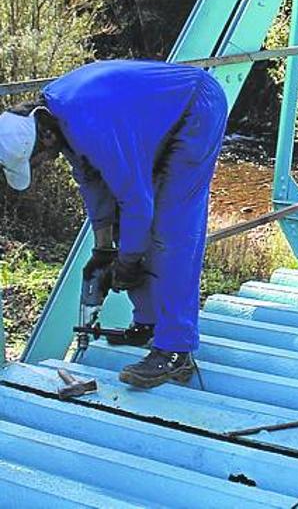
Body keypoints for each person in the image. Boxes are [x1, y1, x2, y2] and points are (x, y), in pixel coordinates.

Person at [0, 60, 228, 386]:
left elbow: (137, 202)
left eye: (35, 160)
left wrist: (129, 261)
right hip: (162, 119)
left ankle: (176, 350)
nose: (40, 165)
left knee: (170, 232)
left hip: (194, 109)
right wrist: (104, 248)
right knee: (128, 229)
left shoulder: (89, 125)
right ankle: (149, 323)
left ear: (45, 137)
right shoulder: (57, 116)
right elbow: (92, 184)